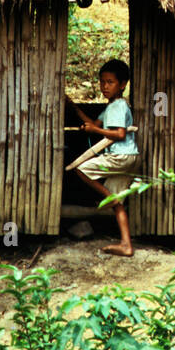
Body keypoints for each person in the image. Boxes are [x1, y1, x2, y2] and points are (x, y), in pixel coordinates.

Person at [67, 59, 139, 256]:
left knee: (80, 169)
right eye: (102, 82)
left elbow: (120, 134)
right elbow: (93, 124)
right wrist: (75, 109)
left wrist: (95, 129)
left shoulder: (118, 106)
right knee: (119, 205)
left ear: (122, 85)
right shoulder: (111, 107)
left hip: (120, 155)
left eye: (110, 82)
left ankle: (109, 197)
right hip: (129, 157)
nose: (104, 86)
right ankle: (126, 245)